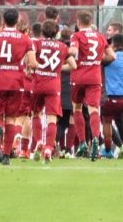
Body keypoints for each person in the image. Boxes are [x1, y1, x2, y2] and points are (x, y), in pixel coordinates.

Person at [0, 9, 37, 166]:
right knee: (12, 119)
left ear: (3, 21)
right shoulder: (26, 39)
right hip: (16, 83)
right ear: (17, 21)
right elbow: (33, 63)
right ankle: (6, 155)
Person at [68, 10, 115, 160]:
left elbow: (73, 51)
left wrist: (67, 54)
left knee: (77, 108)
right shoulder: (100, 36)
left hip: (79, 77)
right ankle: (95, 138)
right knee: (94, 109)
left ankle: (82, 142)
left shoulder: (76, 36)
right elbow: (112, 56)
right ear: (91, 22)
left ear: (78, 22)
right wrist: (96, 60)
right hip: (95, 77)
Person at [29, 19, 74, 163]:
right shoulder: (63, 46)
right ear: (56, 32)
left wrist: (42, 68)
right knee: (52, 118)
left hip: (38, 84)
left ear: (43, 31)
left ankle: (38, 143)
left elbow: (32, 63)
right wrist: (57, 69)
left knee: (36, 114)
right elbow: (73, 65)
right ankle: (49, 147)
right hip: (54, 85)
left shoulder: (37, 43)